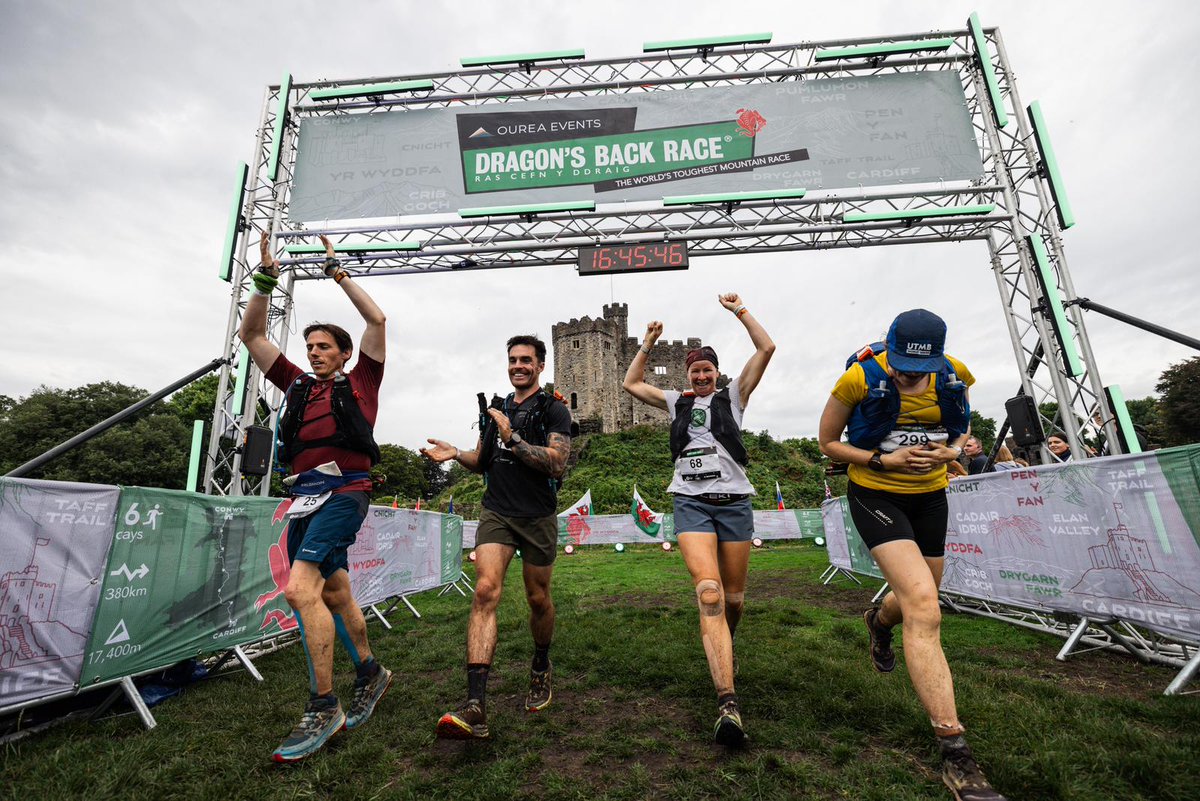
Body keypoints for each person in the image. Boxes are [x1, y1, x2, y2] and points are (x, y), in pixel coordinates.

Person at [817, 309, 1007, 801]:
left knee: (922, 596)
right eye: (899, 364)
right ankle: (956, 754)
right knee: (925, 603)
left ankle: (879, 623)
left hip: (930, 495)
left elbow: (962, 430)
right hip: (875, 493)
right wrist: (883, 458)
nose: (906, 376)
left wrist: (954, 452)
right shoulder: (859, 378)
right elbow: (828, 443)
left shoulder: (955, 376)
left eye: (915, 368)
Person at [239, 233, 392, 762]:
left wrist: (337, 272)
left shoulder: (362, 380)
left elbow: (377, 322)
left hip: (346, 493)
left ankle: (324, 705)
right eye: (310, 348)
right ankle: (371, 674)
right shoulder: (298, 385)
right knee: (333, 592)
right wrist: (264, 279)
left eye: (324, 347)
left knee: (299, 590)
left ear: (345, 354)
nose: (314, 354)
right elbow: (252, 333)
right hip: (305, 497)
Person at [621, 293, 775, 747]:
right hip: (690, 502)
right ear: (687, 376)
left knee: (734, 600)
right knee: (708, 593)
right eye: (695, 372)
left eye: (707, 370)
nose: (702, 376)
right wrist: (648, 343)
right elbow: (632, 384)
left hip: (733, 504)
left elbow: (766, 349)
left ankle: (726, 646)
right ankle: (727, 702)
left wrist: (741, 311)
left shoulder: (734, 396)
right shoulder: (677, 402)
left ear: (717, 372)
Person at [421, 335, 572, 739]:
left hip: (537, 514)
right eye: (512, 360)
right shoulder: (498, 409)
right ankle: (475, 706)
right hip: (497, 513)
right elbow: (482, 461)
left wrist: (515, 439)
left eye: (526, 360)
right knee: (485, 590)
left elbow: (557, 464)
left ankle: (541, 664)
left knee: (538, 599)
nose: (518, 365)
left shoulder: (554, 409)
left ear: (540, 365)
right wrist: (456, 454)